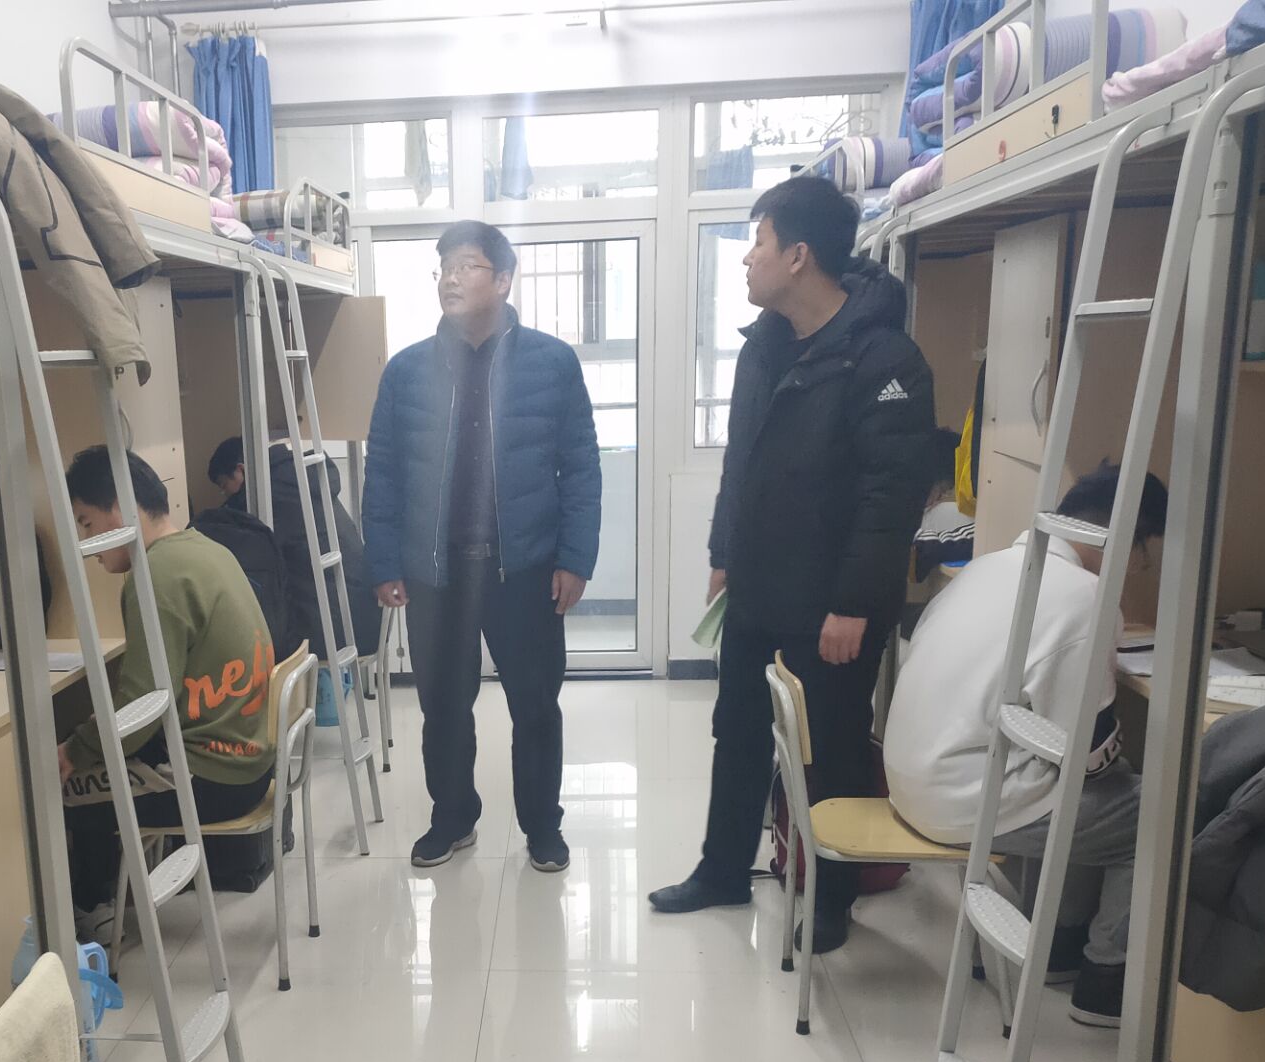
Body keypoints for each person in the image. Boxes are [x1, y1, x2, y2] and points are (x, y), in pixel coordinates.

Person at [650, 173, 936, 951]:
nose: (749, 259)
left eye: (759, 242)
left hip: (833, 605)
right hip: (758, 588)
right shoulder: (765, 347)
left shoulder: (883, 360)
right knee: (738, 732)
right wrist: (723, 553)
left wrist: (854, 602)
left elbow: (890, 498)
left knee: (831, 748)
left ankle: (833, 897)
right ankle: (721, 871)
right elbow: (740, 463)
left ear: (799, 255)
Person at [883, 466, 1168, 1027]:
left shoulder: (988, 566)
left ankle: (1059, 942)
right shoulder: (1086, 597)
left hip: (911, 778)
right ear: (1125, 538)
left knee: (1102, 785)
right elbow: (1084, 755)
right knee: (1157, 814)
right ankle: (1106, 979)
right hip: (961, 799)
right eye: (1145, 554)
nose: (1140, 570)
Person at [362, 220, 602, 873]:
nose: (449, 277)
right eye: (443, 266)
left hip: (523, 567)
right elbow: (383, 473)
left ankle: (543, 827)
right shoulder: (407, 371)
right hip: (435, 573)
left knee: (535, 706)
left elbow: (581, 467)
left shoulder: (551, 363)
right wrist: (384, 561)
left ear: (502, 280)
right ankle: (452, 818)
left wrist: (575, 558)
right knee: (442, 707)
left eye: (465, 265)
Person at [57, 447, 276, 919]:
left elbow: (141, 709)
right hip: (250, 758)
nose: (88, 543)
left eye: (87, 524)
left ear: (121, 509)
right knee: (96, 743)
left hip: (214, 777)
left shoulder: (155, 576)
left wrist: (75, 749)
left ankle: (94, 915)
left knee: (63, 788)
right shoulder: (204, 548)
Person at [207, 435, 381, 664]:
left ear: (241, 471)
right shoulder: (299, 476)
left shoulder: (271, 493)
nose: (226, 494)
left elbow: (246, 548)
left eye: (224, 486)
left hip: (335, 631)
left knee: (251, 637)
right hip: (362, 617)